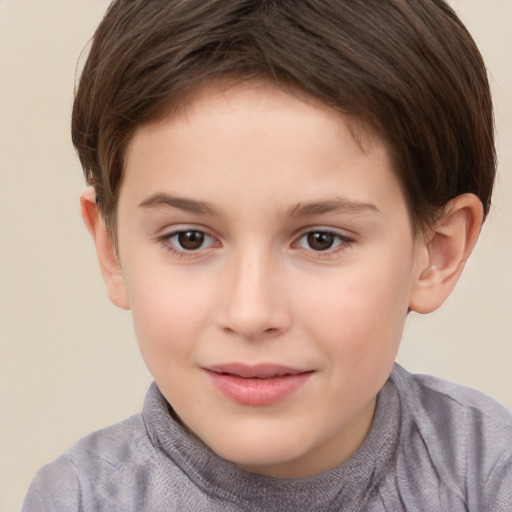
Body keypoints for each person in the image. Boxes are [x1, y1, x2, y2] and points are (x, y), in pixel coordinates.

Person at [22, 0, 512, 510]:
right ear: (112, 248)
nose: (251, 313)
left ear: (436, 251)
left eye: (321, 239)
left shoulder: (489, 474)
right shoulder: (78, 499)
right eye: (189, 238)